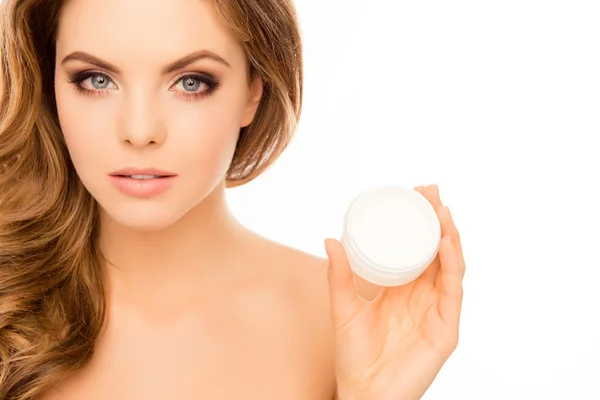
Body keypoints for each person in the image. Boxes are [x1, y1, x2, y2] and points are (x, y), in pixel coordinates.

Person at [0, 0, 466, 398]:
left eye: (190, 82)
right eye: (97, 79)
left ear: (253, 93)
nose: (139, 131)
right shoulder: (9, 303)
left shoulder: (343, 321)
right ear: (49, 86)